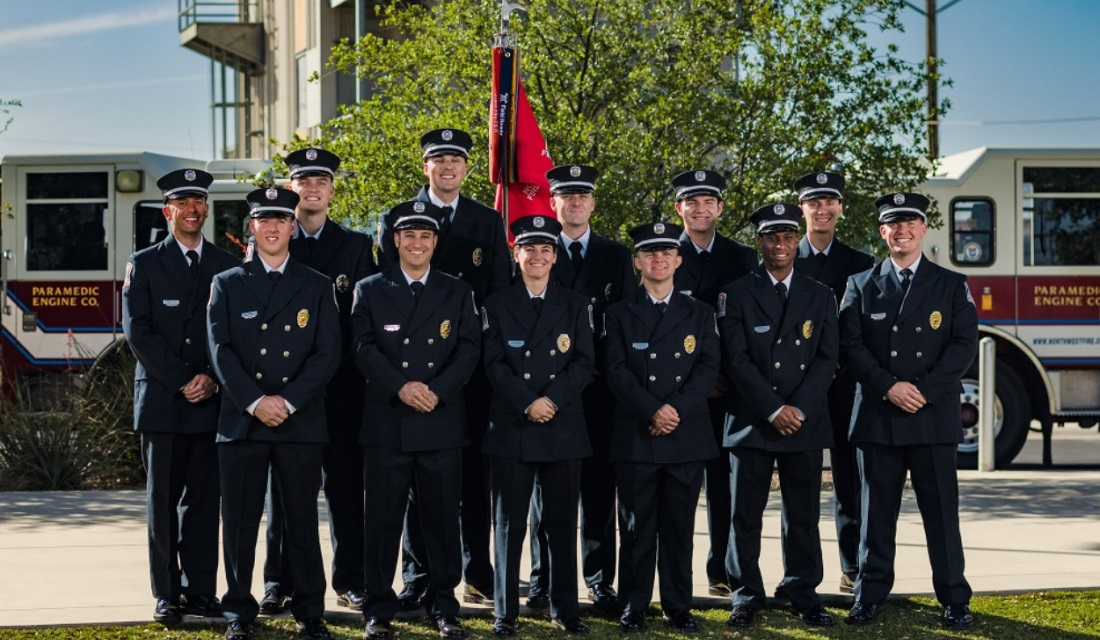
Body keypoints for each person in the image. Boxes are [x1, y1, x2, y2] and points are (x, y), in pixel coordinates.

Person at [378, 129, 508, 609]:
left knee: (472, 475)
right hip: (408, 378)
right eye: (439, 159)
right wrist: (405, 381)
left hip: (466, 374)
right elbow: (385, 292)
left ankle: (476, 570)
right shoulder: (396, 217)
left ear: (467, 168)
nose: (448, 166)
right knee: (413, 480)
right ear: (425, 166)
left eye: (456, 159)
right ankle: (417, 574)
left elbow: (496, 294)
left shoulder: (487, 220)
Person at [839, 192, 978, 630]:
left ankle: (954, 598)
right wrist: (889, 387)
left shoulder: (951, 284)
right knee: (874, 518)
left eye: (910, 223)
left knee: (941, 516)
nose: (902, 231)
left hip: (931, 417)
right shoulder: (860, 284)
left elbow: (962, 346)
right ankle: (869, 596)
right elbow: (850, 346)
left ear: (923, 228)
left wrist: (922, 391)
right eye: (893, 225)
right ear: (882, 232)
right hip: (879, 417)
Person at [207, 186, 341, 640]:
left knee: (302, 520)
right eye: (264, 221)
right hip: (243, 421)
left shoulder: (316, 285)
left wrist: (285, 402)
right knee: (241, 523)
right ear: (252, 227)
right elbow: (220, 351)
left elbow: (327, 353)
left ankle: (309, 610)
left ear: (291, 227)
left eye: (281, 221)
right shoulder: (227, 282)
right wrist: (255, 401)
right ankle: (239, 613)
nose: (272, 228)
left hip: (298, 420)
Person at [352, 200, 480, 640]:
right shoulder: (370, 288)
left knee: (443, 521)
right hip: (388, 420)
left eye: (425, 236)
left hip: (440, 419)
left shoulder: (457, 291)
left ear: (434, 243)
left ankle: (444, 605)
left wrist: (437, 390)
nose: (417, 243)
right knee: (383, 522)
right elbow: (363, 347)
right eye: (409, 236)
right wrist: (401, 387)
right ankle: (378, 609)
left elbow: (468, 349)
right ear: (396, 241)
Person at [261, 147, 378, 615]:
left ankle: (351, 580)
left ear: (332, 190)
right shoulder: (271, 240)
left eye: (320, 181)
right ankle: (279, 581)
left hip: (343, 390)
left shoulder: (354, 246)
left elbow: (364, 319)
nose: (311, 188)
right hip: (289, 392)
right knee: (285, 491)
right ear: (292, 189)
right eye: (302, 181)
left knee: (348, 488)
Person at [122, 168, 238, 624]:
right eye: (183, 203)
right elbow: (138, 332)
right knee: (163, 501)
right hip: (163, 400)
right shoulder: (145, 262)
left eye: (199, 203)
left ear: (206, 209)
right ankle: (167, 593)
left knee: (205, 502)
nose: (192, 210)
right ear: (168, 210)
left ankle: (201, 590)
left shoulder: (225, 264)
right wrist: (181, 380)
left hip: (209, 401)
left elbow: (231, 332)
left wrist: (209, 377)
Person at [717, 203, 838, 629]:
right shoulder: (735, 293)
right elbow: (736, 361)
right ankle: (746, 595)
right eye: (772, 237)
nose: (781, 245)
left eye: (788, 237)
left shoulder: (821, 295)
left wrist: (797, 408)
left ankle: (803, 591)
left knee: (802, 515)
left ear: (797, 243)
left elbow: (827, 358)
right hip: (752, 420)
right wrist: (772, 408)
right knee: (744, 516)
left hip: (803, 422)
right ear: (760, 242)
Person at [525, 165, 635, 614]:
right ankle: (542, 579)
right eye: (565, 197)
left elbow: (624, 324)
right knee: (542, 493)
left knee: (597, 490)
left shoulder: (615, 255)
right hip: (547, 393)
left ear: (592, 203)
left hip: (598, 392)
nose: (574, 203)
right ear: (552, 203)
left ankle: (597, 579)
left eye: (582, 196)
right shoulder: (536, 251)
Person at [603, 222, 720, 633]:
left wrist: (674, 411)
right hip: (637, 432)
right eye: (650, 253)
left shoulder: (700, 313)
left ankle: (677, 605)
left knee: (679, 528)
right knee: (635, 528)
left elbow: (707, 369)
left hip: (686, 434)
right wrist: (652, 410)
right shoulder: (617, 313)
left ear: (678, 260)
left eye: (666, 253)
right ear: (637, 261)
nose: (658, 259)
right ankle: (633, 604)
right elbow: (615, 370)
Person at [481, 215, 595, 637]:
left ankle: (566, 609)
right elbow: (493, 363)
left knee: (562, 523)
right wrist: (528, 402)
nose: (538, 257)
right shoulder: (495, 303)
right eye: (530, 249)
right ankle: (505, 612)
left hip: (562, 424)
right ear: (517, 254)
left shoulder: (577, 303)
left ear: (554, 256)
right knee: (509, 525)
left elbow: (584, 362)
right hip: (513, 424)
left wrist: (551, 401)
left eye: (546, 249)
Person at [670, 169, 757, 597]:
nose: (701, 209)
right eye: (692, 202)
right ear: (679, 208)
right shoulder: (665, 253)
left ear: (720, 208)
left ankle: (721, 569)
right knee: (679, 489)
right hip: (679, 391)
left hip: (728, 388)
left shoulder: (741, 258)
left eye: (709, 202)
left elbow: (747, 324)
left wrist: (724, 376)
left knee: (724, 486)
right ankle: (675, 579)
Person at [791, 171, 874, 594]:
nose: (821, 210)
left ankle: (853, 566)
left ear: (840, 208)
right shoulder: (785, 257)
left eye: (829, 202)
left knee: (849, 479)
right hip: (794, 389)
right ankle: (802, 573)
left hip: (844, 387)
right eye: (813, 202)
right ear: (801, 207)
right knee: (799, 484)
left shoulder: (861, 265)